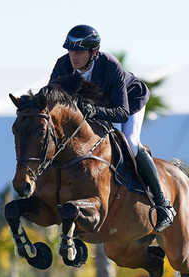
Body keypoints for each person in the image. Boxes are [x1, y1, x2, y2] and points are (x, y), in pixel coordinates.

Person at [49, 24, 176, 232]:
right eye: (71, 50)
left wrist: (95, 111)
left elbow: (122, 112)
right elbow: (52, 100)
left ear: (93, 52)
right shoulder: (62, 66)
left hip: (129, 102)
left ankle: (163, 204)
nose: (73, 55)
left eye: (79, 51)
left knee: (131, 143)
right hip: (91, 109)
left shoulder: (109, 65)